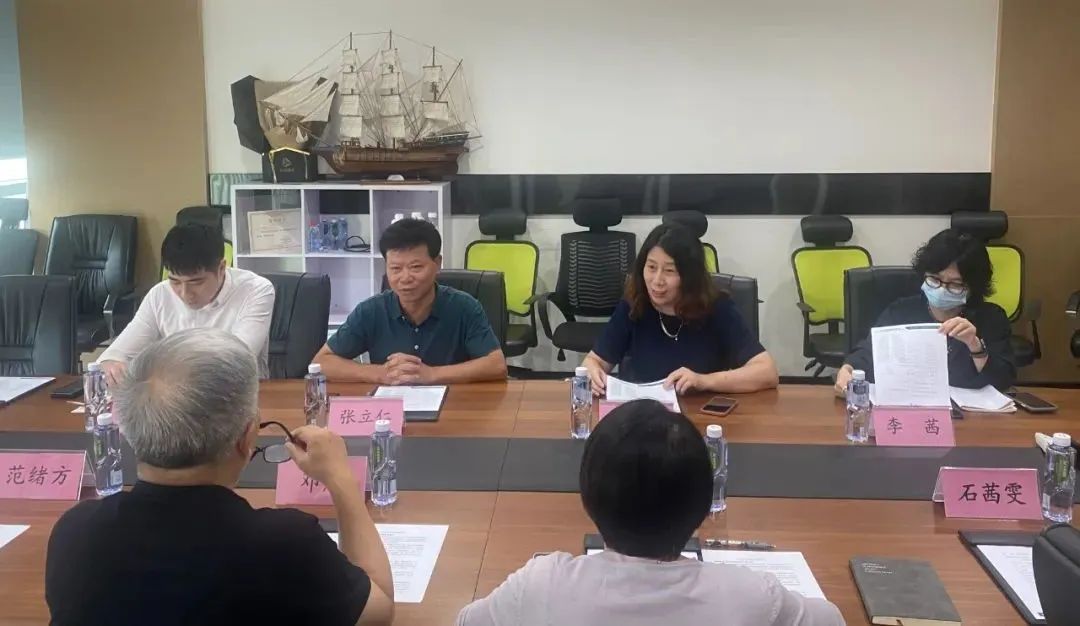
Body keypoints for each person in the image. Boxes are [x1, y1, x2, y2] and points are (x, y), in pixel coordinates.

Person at [45, 329, 394, 626]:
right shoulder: (282, 544)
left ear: (127, 431)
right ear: (246, 437)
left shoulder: (75, 533)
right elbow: (379, 610)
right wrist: (341, 479)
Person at [457, 399, 844, 625]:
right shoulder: (750, 597)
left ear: (588, 497)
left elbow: (465, 621)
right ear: (703, 503)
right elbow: (832, 619)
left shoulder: (541, 584)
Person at [582, 223, 778, 396]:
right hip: (643, 415)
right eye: (651, 267)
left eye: (669, 271)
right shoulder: (634, 304)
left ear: (689, 276)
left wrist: (703, 381)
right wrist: (592, 372)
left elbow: (766, 372)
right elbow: (594, 361)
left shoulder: (717, 308)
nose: (657, 280)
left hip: (701, 415)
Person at [312, 218, 507, 384]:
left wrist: (432, 374)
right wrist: (380, 373)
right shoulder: (371, 311)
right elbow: (321, 362)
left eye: (415, 267)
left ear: (437, 264)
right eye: (395, 269)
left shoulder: (464, 307)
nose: (405, 278)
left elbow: (496, 365)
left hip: (454, 406)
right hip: (390, 410)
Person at [835, 228, 1015, 395]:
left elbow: (1003, 381)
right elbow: (868, 353)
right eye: (934, 279)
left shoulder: (991, 318)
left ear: (973, 287)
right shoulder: (901, 312)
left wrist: (975, 346)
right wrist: (848, 369)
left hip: (970, 414)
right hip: (908, 407)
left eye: (955, 284)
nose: (942, 289)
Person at [98, 223, 275, 384]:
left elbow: (238, 361)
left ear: (221, 268)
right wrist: (112, 366)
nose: (184, 294)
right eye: (175, 281)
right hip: (174, 396)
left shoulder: (255, 290)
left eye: (196, 282)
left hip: (237, 394)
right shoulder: (160, 294)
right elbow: (115, 356)